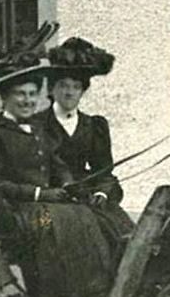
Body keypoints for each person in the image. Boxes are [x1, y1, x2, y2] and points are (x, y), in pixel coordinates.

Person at [0, 23, 118, 297]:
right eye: (20, 94)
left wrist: (71, 186)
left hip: (44, 204)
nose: (27, 101)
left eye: (32, 94)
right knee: (56, 224)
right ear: (4, 98)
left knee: (84, 216)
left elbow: (58, 166)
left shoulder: (40, 133)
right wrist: (37, 192)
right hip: (16, 209)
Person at [34, 36, 136, 244]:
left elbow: (104, 172)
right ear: (52, 90)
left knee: (122, 236)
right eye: (63, 85)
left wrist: (102, 192)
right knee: (53, 237)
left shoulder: (94, 126)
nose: (69, 92)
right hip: (48, 202)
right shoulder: (35, 124)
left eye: (76, 86)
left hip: (86, 199)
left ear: (82, 91)